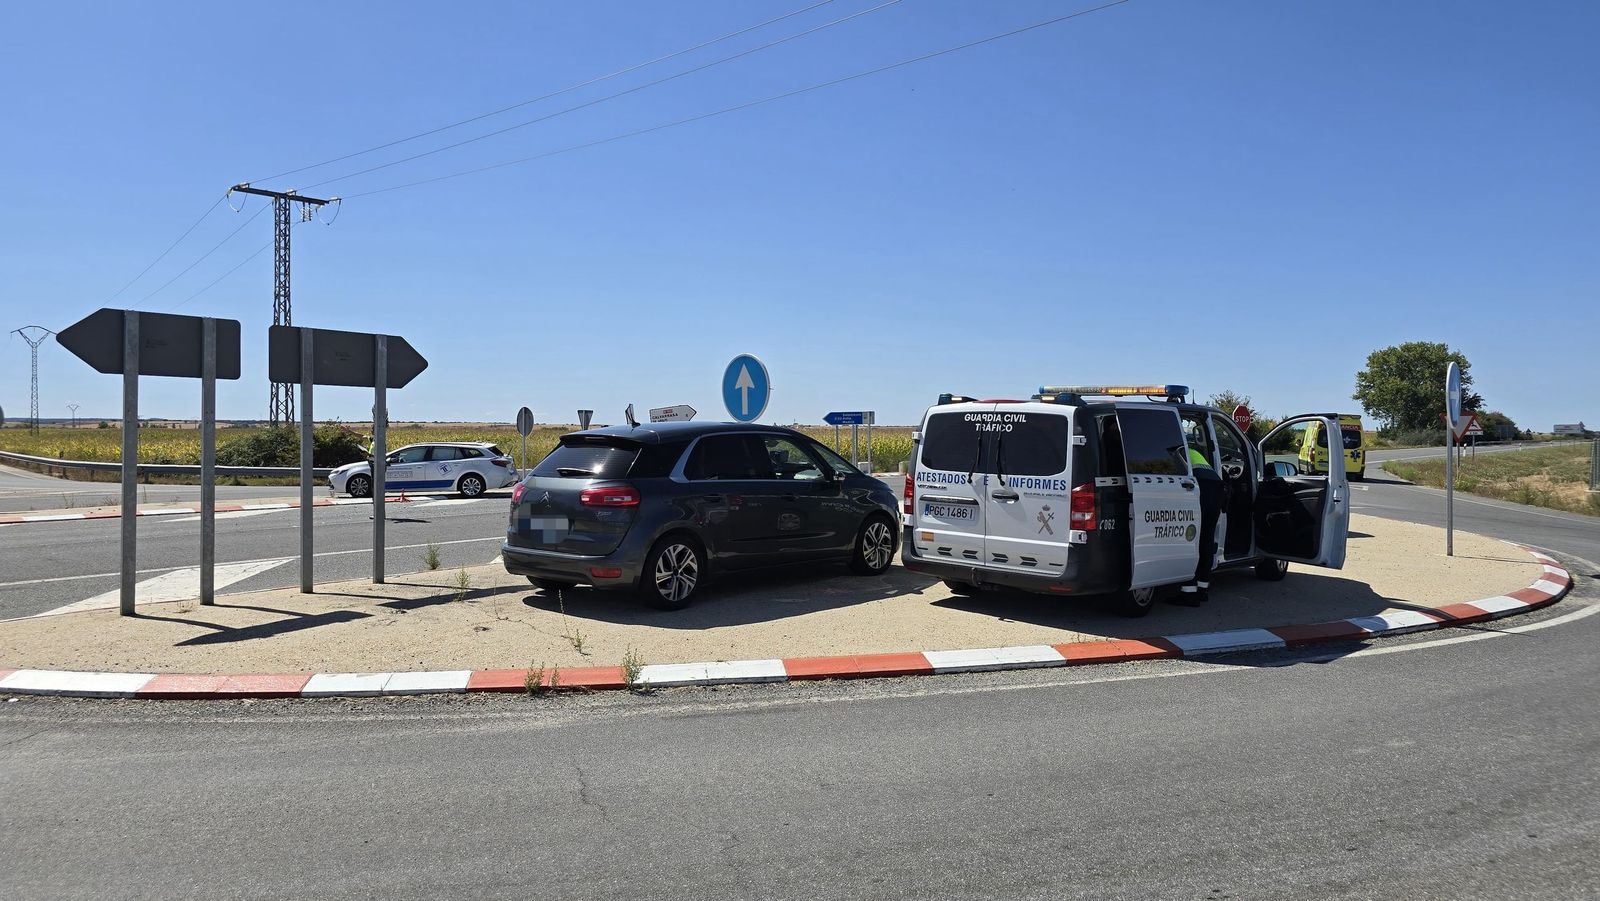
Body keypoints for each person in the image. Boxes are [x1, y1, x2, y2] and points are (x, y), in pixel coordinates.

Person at [1175, 442, 1226, 606]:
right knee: (1206, 540)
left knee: (1191, 540)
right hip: (1216, 488)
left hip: (1200, 489)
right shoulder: (1194, 452)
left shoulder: (1176, 450)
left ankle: (1189, 593)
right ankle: (1203, 589)